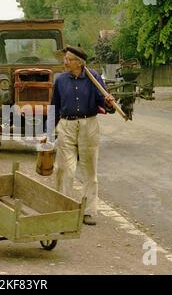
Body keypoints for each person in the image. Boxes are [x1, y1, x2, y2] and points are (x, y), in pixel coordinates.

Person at [46, 45, 115, 225]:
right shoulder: (60, 80)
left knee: (89, 168)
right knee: (65, 169)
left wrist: (109, 102)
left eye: (68, 59)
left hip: (88, 125)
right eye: (65, 59)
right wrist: (47, 132)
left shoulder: (94, 78)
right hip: (66, 125)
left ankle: (89, 211)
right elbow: (54, 106)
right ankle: (64, 209)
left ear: (79, 63)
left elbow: (105, 102)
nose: (65, 62)